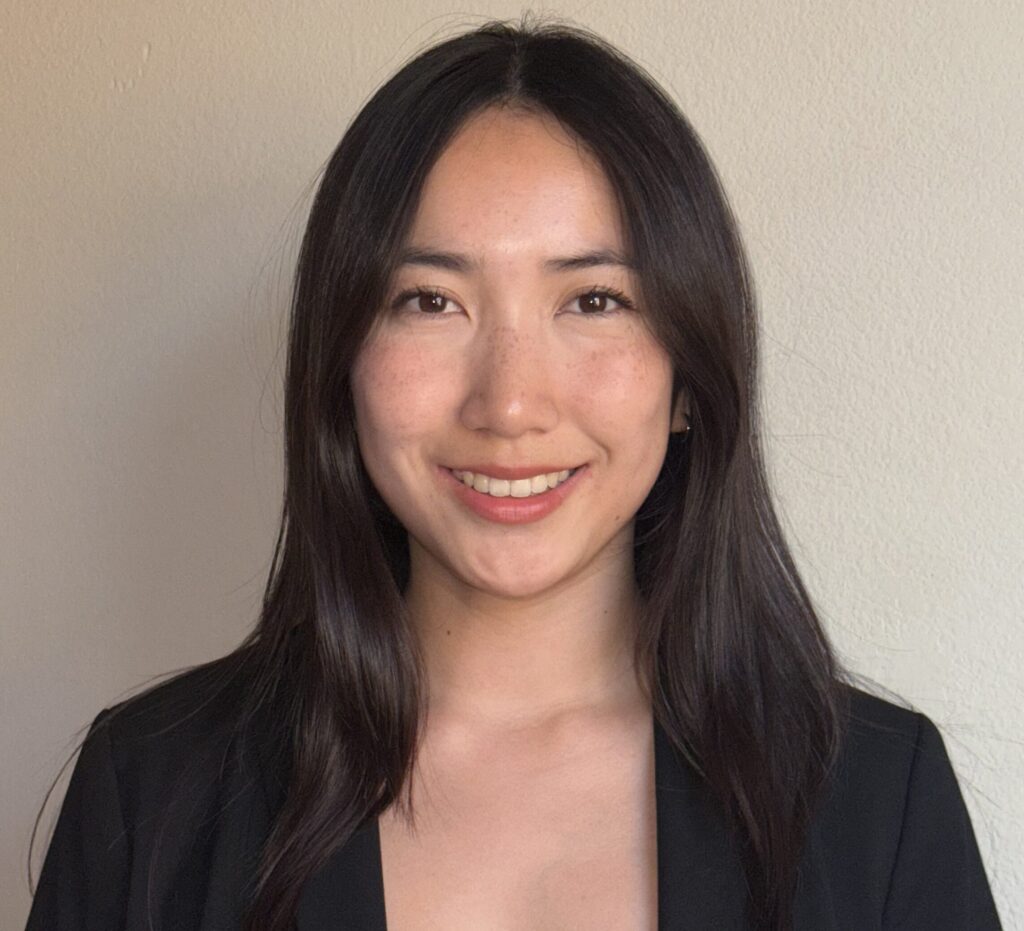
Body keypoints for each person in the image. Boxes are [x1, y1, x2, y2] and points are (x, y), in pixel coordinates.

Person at [26, 18, 1001, 931]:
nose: (509, 403)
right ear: (342, 362)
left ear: (687, 379)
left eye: (593, 300)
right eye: (430, 300)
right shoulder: (153, 792)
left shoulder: (874, 804)